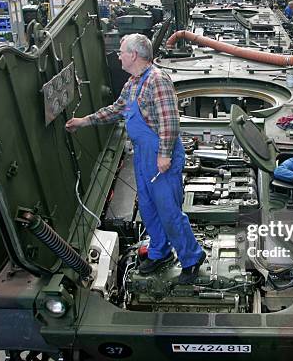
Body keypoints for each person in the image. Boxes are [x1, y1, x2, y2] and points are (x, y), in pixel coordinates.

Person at [65, 34, 206, 284]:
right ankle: (160, 252)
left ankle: (192, 257)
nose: (118, 55)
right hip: (143, 155)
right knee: (149, 210)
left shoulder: (157, 80)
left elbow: (170, 121)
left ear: (133, 55)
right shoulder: (133, 83)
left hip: (161, 156)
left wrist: (164, 154)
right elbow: (117, 109)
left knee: (169, 211)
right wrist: (84, 121)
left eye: (121, 51)